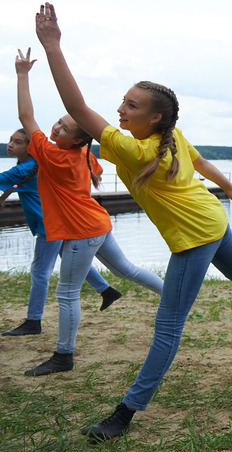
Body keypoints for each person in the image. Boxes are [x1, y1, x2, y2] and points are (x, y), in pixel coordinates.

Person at [33, 2, 232, 441]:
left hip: (196, 236)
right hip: (212, 219)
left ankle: (124, 414)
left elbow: (76, 105)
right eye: (123, 102)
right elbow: (198, 160)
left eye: (131, 105)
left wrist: (52, 47)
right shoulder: (165, 136)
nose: (121, 110)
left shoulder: (134, 149)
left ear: (154, 116)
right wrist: (228, 189)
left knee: (167, 328)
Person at [14, 50, 164, 377]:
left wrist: (22, 75)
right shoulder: (82, 152)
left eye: (64, 128)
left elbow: (27, 118)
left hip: (84, 231)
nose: (56, 127)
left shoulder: (53, 155)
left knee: (67, 292)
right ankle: (172, 297)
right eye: (59, 122)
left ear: (78, 139)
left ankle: (63, 356)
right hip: (97, 223)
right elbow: (91, 163)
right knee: (126, 269)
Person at [1, 128, 124, 337]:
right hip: (59, 221)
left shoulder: (26, 168)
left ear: (30, 147)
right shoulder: (36, 164)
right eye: (11, 140)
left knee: (40, 272)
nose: (11, 145)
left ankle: (33, 321)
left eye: (18, 142)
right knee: (68, 259)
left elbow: (11, 179)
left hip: (47, 225)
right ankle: (106, 290)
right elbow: (96, 168)